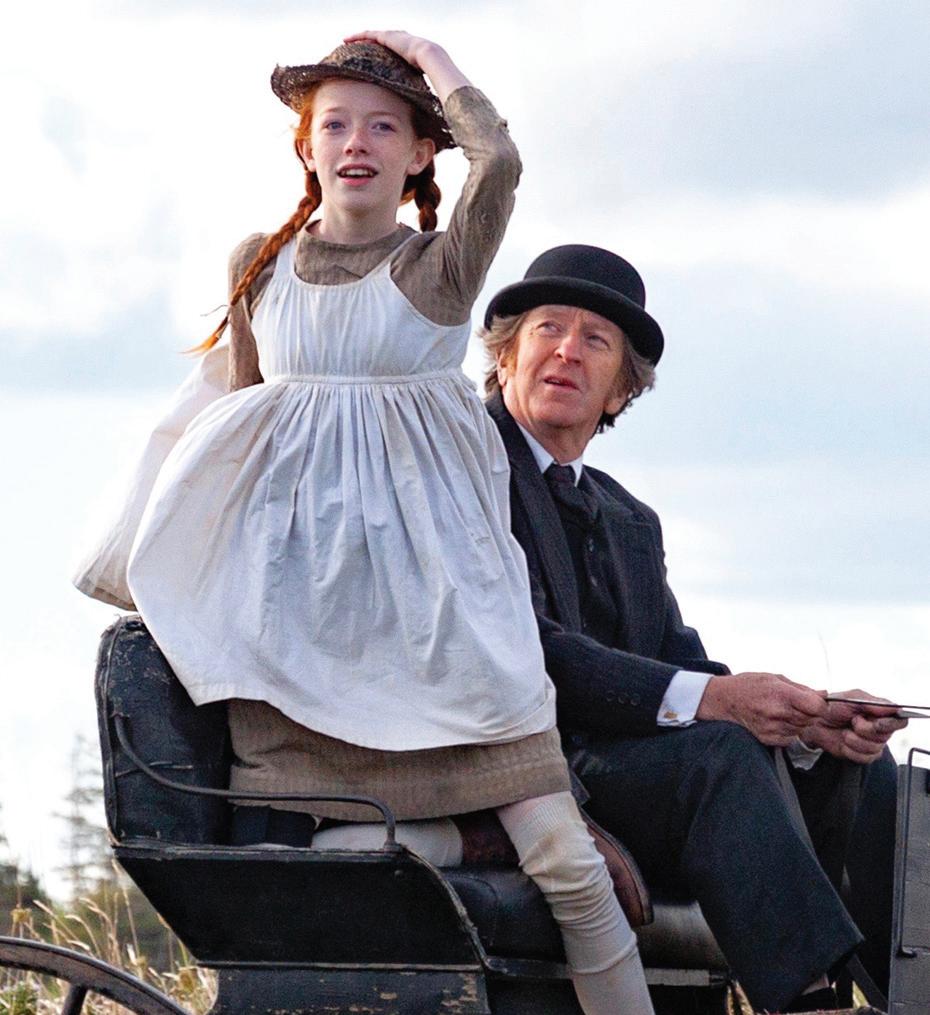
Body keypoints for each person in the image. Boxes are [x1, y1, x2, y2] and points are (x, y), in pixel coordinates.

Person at [75, 34, 653, 1014]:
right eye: (335, 124)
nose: (357, 143)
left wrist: (428, 58)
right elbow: (240, 430)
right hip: (308, 625)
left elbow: (500, 163)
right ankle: (450, 839)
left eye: (385, 126)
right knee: (326, 857)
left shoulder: (438, 269)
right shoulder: (260, 267)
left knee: (568, 860)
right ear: (306, 146)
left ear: (421, 153)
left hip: (443, 622)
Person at [480, 243, 907, 1014]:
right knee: (720, 753)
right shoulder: (462, 472)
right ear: (506, 354)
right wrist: (721, 703)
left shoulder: (630, 519)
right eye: (549, 328)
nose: (568, 351)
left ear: (622, 389)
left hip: (639, 777)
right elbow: (529, 652)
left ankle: (894, 994)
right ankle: (811, 1004)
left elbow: (683, 663)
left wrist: (809, 720)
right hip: (538, 771)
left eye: (596, 340)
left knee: (861, 767)